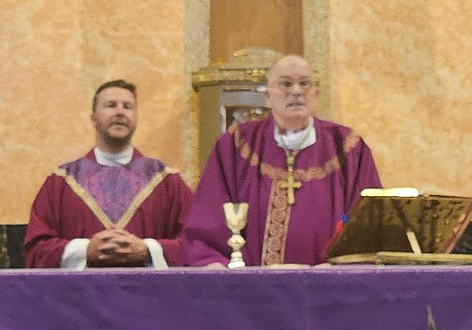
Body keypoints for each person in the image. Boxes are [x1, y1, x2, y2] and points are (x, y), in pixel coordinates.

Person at [180, 54, 382, 267]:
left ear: (316, 93)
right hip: (250, 292)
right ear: (268, 96)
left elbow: (370, 226)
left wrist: (341, 269)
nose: (296, 91)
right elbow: (205, 224)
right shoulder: (235, 146)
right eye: (286, 84)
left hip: (328, 289)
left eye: (304, 84)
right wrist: (215, 267)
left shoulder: (348, 148)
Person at [23, 79, 193, 269]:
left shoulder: (167, 181)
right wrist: (85, 250)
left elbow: (195, 244)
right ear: (93, 117)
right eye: (110, 105)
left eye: (127, 106)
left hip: (148, 294)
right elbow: (36, 249)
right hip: (81, 295)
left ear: (136, 117)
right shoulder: (61, 182)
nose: (120, 112)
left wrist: (146, 250)